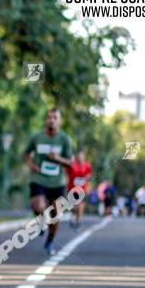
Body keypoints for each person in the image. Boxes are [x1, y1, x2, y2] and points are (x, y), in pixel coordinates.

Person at [23, 108, 74, 256]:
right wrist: (32, 165)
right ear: (46, 120)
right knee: (38, 206)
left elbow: (70, 163)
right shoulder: (37, 137)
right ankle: (41, 222)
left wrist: (58, 158)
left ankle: (50, 241)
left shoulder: (64, 139)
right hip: (39, 178)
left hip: (57, 182)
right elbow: (26, 153)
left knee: (55, 215)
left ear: (59, 121)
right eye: (49, 117)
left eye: (55, 117)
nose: (51, 120)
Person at [66, 149, 92, 228]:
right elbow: (66, 173)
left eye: (82, 156)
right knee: (74, 207)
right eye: (79, 156)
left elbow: (89, 175)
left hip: (82, 190)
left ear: (84, 157)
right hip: (72, 189)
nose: (81, 157)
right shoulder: (72, 165)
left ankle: (78, 220)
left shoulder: (87, 165)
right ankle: (73, 217)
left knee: (80, 206)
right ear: (77, 157)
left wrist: (87, 179)